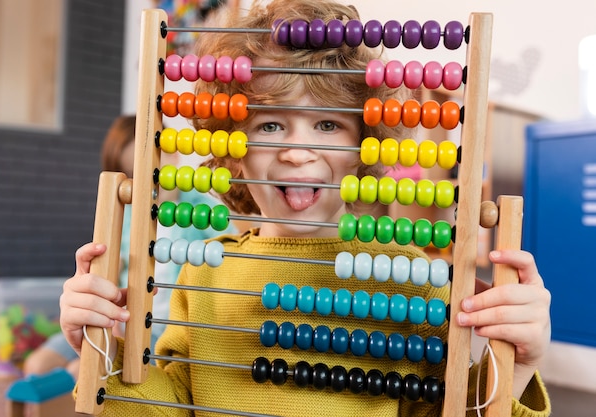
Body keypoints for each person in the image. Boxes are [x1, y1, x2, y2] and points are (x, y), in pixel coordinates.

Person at [59, 0, 552, 415]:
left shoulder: (412, 280)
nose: (297, 151)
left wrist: (519, 364)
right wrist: (100, 350)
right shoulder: (202, 275)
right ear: (234, 149)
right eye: (270, 126)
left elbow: (447, 407)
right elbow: (169, 403)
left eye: (327, 125)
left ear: (366, 147)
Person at [24, 115, 235, 379]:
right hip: (121, 317)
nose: (152, 181)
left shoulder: (205, 213)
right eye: (136, 174)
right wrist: (106, 312)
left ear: (176, 154)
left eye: (156, 166)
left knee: (80, 371)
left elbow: (231, 259)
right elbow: (111, 269)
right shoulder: (126, 217)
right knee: (38, 364)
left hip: (168, 327)